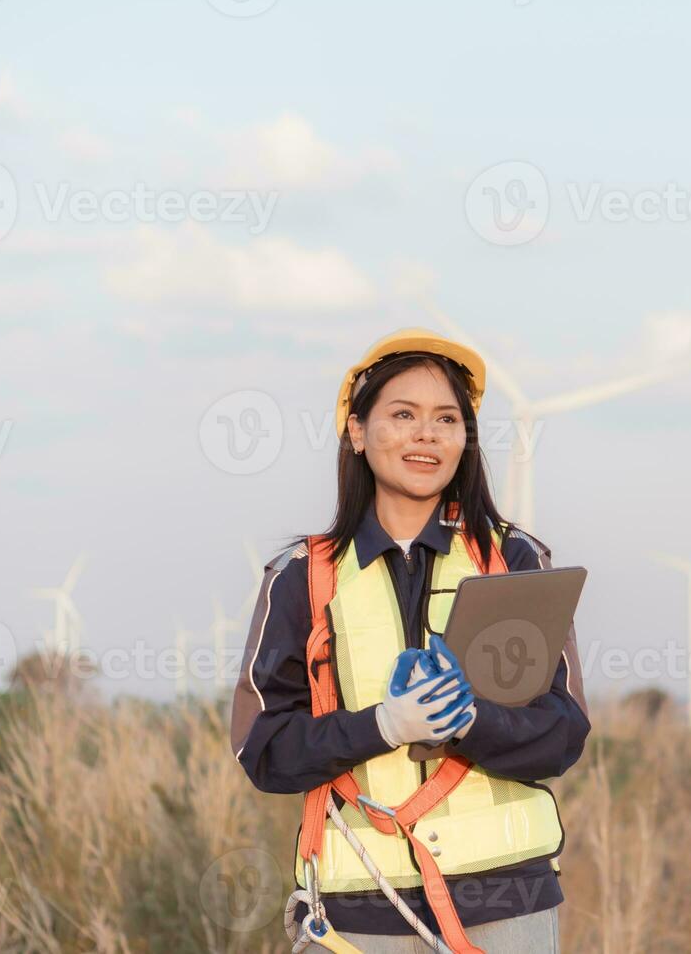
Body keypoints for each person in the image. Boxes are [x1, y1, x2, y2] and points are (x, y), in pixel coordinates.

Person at [230, 328, 589, 953]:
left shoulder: (514, 559)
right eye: (403, 414)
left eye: (447, 419)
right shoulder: (303, 577)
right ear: (357, 432)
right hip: (358, 915)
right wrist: (382, 727)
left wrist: (472, 722)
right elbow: (264, 750)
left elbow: (563, 733)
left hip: (506, 909)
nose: (427, 434)